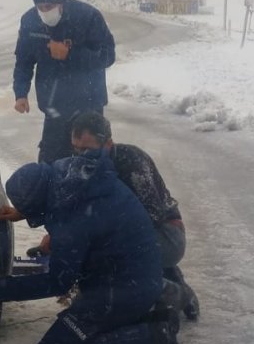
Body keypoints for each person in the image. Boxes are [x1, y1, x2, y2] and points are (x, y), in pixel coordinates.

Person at [0, 152, 180, 344]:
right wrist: (24, 212)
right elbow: (73, 216)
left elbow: (58, 282)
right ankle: (150, 314)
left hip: (120, 290)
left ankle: (149, 339)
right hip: (138, 274)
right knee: (89, 317)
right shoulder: (75, 181)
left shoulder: (72, 221)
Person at [68, 111, 201, 321]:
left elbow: (151, 215)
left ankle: (177, 294)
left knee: (107, 263)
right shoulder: (84, 167)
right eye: (75, 149)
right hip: (138, 238)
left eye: (87, 149)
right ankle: (165, 275)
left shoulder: (131, 162)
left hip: (167, 234)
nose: (80, 156)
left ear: (108, 144)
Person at [12, 0, 116, 164]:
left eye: (49, 6)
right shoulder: (30, 21)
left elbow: (108, 56)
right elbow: (23, 60)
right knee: (49, 166)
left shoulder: (88, 17)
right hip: (54, 108)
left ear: (62, 1)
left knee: (90, 166)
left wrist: (71, 54)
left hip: (89, 106)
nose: (45, 11)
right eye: (40, 7)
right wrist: (20, 93)